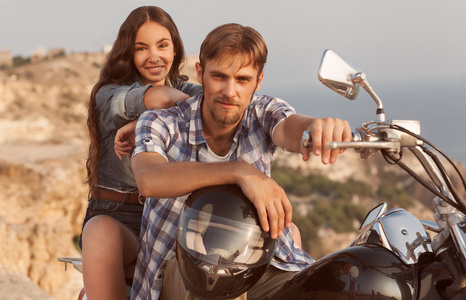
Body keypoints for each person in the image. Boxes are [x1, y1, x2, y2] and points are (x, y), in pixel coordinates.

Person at [128, 23, 351, 299]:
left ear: (258, 82)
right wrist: (239, 172)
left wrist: (318, 127)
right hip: (179, 270)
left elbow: (290, 126)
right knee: (221, 273)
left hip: (262, 262)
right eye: (219, 76)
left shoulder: (262, 113)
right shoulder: (162, 121)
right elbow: (149, 179)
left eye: (243, 80)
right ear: (200, 74)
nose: (230, 91)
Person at [80, 6, 202, 300]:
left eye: (163, 45)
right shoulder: (109, 93)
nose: (154, 56)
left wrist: (140, 125)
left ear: (175, 49)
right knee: (99, 234)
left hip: (174, 215)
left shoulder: (185, 88)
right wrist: (158, 116)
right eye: (141, 48)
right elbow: (157, 98)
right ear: (128, 53)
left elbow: (224, 108)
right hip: (120, 216)